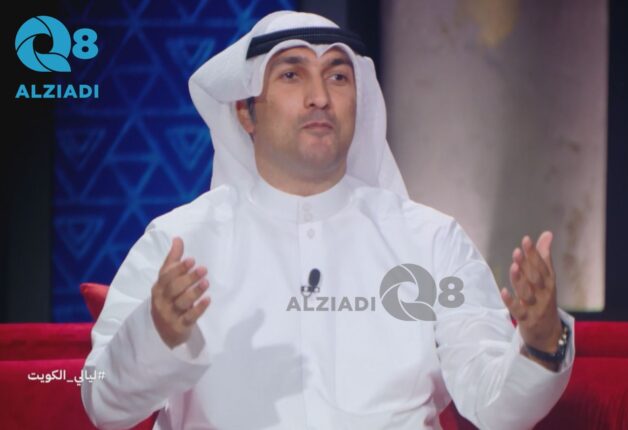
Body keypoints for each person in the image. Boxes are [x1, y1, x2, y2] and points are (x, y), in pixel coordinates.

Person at [81, 10, 575, 430]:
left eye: (338, 77)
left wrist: (539, 343)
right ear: (246, 112)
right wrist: (156, 334)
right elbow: (101, 401)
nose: (319, 96)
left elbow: (496, 406)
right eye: (292, 75)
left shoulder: (429, 240)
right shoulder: (180, 240)